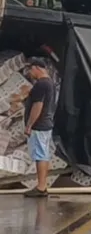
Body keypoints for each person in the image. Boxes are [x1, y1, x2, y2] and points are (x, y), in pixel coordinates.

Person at [23, 57, 56, 197]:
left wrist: (29, 125)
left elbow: (38, 106)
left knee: (40, 156)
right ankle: (42, 185)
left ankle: (41, 187)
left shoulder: (41, 84)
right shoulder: (50, 83)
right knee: (43, 155)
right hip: (46, 124)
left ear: (36, 68)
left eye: (30, 69)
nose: (29, 73)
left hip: (39, 125)